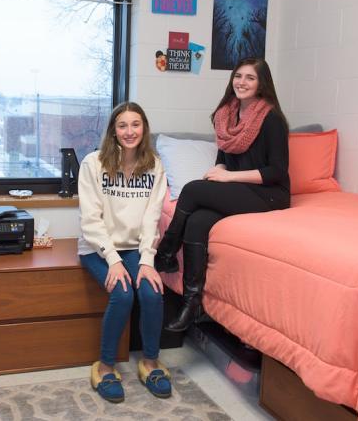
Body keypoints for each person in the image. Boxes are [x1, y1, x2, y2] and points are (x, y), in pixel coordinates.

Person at [155, 57, 291, 333]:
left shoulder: (271, 118)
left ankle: (166, 252)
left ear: (262, 83)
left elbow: (277, 171)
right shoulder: (227, 115)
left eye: (250, 78)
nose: (242, 82)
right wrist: (218, 170)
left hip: (269, 194)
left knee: (192, 190)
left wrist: (227, 178)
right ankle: (192, 302)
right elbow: (223, 156)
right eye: (238, 76)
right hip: (239, 188)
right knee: (197, 221)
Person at [78, 101, 172, 403]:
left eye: (135, 124)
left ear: (144, 128)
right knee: (123, 293)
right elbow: (91, 220)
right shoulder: (93, 163)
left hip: (136, 247)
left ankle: (150, 362)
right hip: (98, 247)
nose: (129, 131)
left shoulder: (154, 165)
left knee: (152, 292)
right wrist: (114, 260)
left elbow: (151, 217)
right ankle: (105, 367)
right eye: (122, 125)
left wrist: (147, 261)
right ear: (113, 130)